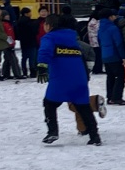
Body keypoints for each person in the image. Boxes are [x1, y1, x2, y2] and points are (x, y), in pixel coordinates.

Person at [38, 14, 101, 146]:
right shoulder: (72, 38)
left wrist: (42, 66)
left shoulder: (49, 37)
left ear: (49, 26)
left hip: (61, 79)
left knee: (49, 104)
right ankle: (95, 136)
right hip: (79, 78)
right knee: (83, 108)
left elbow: (45, 51)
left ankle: (53, 132)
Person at [99, 9, 125, 105]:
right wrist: (123, 57)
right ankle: (116, 97)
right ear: (110, 17)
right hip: (114, 55)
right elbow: (118, 43)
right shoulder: (113, 28)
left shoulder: (100, 28)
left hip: (105, 55)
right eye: (114, 16)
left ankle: (110, 97)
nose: (115, 17)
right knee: (120, 76)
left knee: (110, 76)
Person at [15, 8, 40, 78]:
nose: (31, 14)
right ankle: (33, 72)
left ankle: (24, 71)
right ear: (26, 14)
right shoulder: (29, 22)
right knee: (32, 57)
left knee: (24, 57)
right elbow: (33, 31)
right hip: (31, 41)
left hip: (23, 42)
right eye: (30, 12)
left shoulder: (19, 21)